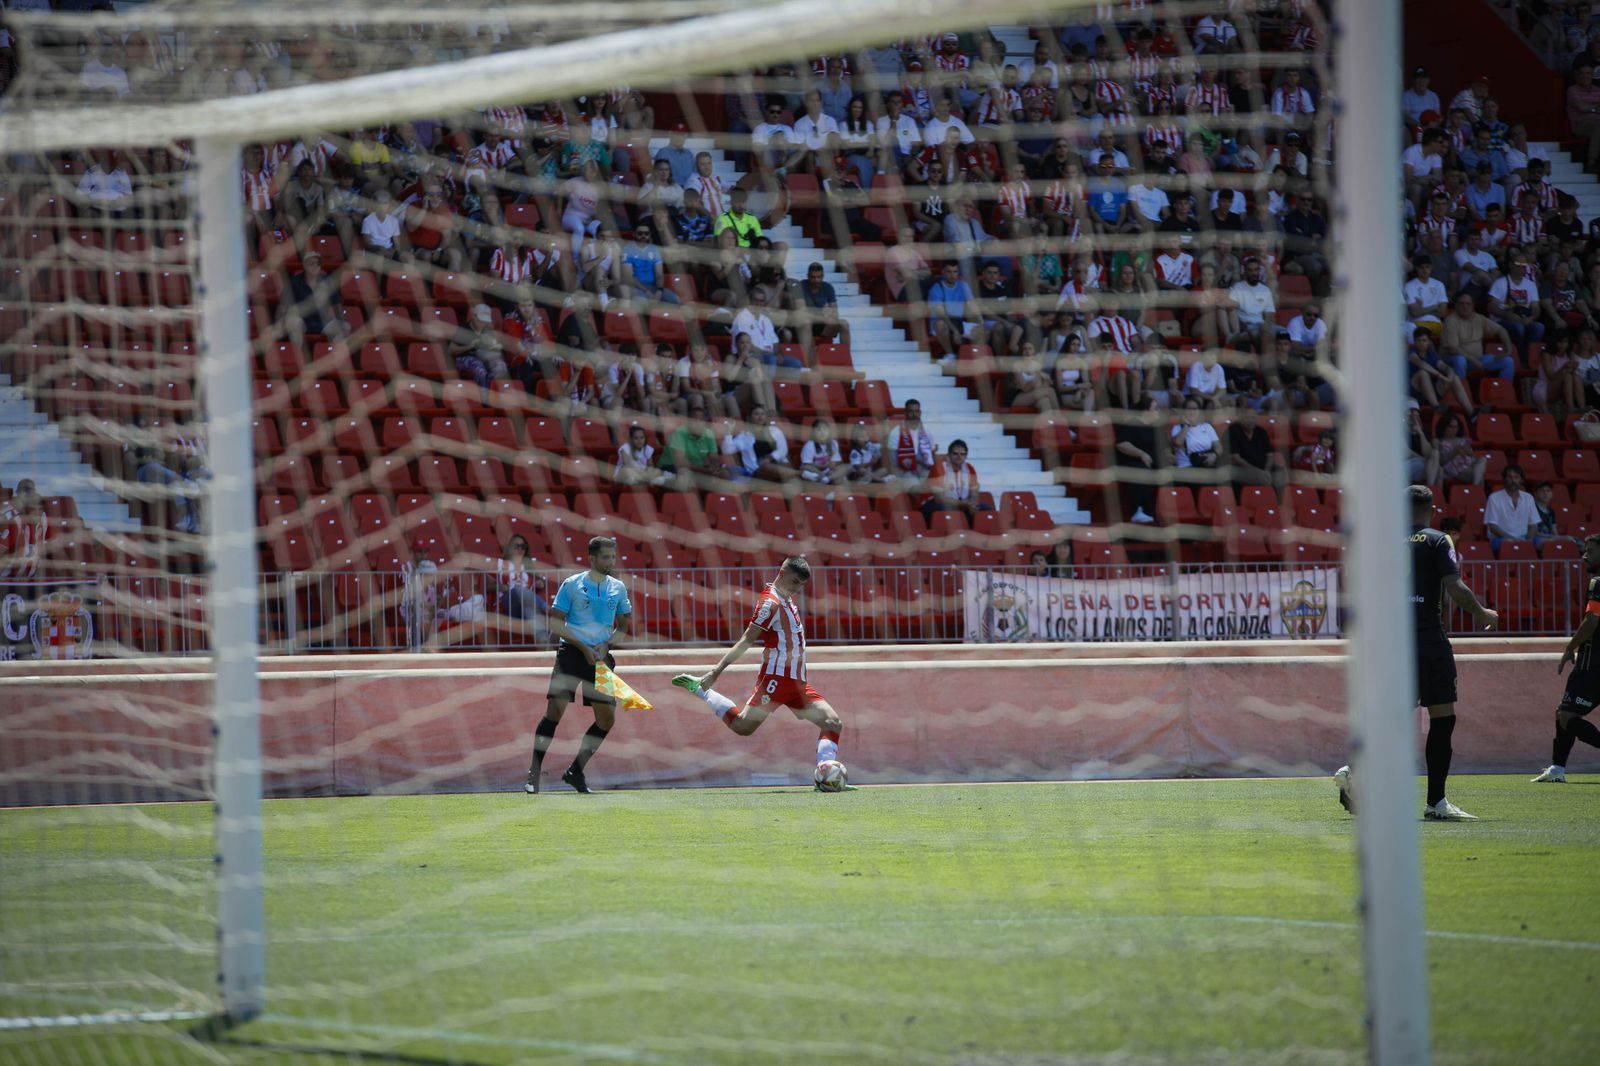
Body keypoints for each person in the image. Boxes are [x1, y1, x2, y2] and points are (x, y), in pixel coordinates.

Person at [1334, 485, 1499, 820]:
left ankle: (1356, 771)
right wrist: (1483, 613)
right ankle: (1436, 803)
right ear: (1432, 508)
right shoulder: (1439, 540)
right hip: (1428, 639)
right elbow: (1454, 586)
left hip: (1392, 643)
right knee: (1443, 717)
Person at [670, 556, 849, 790]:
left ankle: (825, 778)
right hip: (775, 680)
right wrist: (716, 672)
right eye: (794, 582)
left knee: (833, 723)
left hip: (796, 682)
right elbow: (746, 640)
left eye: (800, 585)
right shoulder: (770, 603)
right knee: (743, 727)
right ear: (782, 573)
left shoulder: (787, 599)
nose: (796, 588)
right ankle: (702, 689)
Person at [525, 536, 633, 795]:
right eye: (606, 557)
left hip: (600, 658)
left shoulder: (618, 588)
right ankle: (534, 773)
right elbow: (556, 621)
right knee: (555, 711)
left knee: (606, 720)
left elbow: (624, 626)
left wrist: (606, 647)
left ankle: (575, 771)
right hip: (572, 654)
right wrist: (583, 647)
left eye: (613, 557)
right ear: (592, 558)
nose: (611, 562)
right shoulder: (571, 585)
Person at [1532, 535, 1600, 783]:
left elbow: (1592, 620)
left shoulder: (1597, 582)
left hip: (1592, 663)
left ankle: (1557, 769)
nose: (1585, 556)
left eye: (1590, 551)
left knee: (1567, 717)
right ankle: (1557, 769)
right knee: (1563, 712)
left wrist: (1570, 647)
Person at [921, 439, 990, 523]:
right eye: (955, 453)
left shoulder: (969, 468)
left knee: (985, 509)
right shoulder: (938, 468)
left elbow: (974, 493)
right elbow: (939, 499)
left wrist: (973, 504)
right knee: (945, 509)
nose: (959, 456)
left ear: (966, 456)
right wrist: (964, 504)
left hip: (960, 504)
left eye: (962, 454)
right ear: (949, 455)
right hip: (933, 504)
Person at [496, 535, 549, 643]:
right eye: (517, 546)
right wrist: (500, 586)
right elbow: (485, 585)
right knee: (518, 590)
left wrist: (540, 583)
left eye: (523, 546)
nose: (520, 549)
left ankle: (543, 639)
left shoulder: (529, 567)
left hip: (525, 606)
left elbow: (541, 583)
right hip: (508, 606)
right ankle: (547, 608)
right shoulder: (500, 564)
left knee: (528, 607)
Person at [1483, 463, 1538, 553]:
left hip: (1523, 538)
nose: (1513, 480)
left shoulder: (1528, 498)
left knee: (1545, 543)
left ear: (1521, 480)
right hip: (1500, 539)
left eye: (1516, 477)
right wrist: (1513, 540)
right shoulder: (1494, 498)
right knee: (1508, 543)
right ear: (1504, 479)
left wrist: (1528, 539)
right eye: (1510, 477)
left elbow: (1534, 526)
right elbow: (1493, 527)